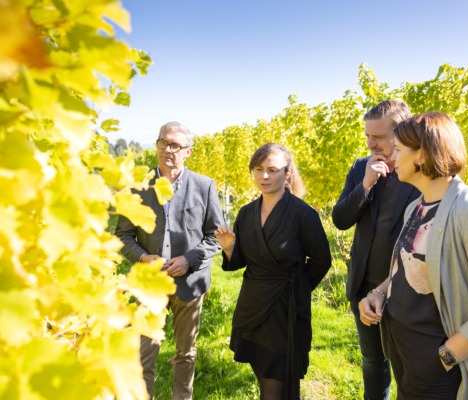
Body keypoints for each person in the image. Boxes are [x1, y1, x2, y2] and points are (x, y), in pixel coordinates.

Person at [359, 112, 468, 399]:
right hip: (406, 358)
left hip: (438, 369)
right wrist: (379, 293)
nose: (392, 157)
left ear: (421, 154)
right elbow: (405, 268)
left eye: (398, 149)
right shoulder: (417, 208)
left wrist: (446, 356)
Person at [115, 121, 224, 400]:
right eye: (163, 142)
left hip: (189, 282)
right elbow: (123, 235)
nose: (168, 150)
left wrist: (189, 259)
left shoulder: (204, 186)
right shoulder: (137, 187)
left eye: (175, 145)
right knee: (144, 353)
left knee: (185, 353)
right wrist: (141, 257)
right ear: (157, 145)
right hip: (150, 284)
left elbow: (216, 237)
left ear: (187, 151)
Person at [214, 143, 331, 400]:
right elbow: (239, 262)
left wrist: (296, 289)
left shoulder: (303, 214)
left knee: (274, 385)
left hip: (284, 311)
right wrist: (230, 248)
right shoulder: (246, 214)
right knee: (262, 373)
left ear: (287, 174)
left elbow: (322, 260)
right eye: (258, 169)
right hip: (252, 306)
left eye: (272, 170)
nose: (264, 176)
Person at [331, 100, 420, 400]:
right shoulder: (360, 168)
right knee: (372, 363)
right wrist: (365, 186)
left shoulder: (420, 171)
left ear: (401, 133)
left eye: (378, 137)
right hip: (364, 286)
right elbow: (340, 219)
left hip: (406, 287)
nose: (371, 143)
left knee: (408, 367)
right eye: (367, 136)